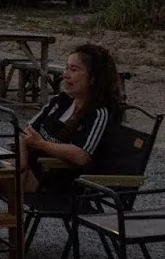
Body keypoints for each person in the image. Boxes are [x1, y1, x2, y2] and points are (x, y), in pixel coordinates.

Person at [20, 42, 123, 193]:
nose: (65, 74)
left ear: (93, 78)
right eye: (66, 68)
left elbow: (82, 156)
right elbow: (24, 133)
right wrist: (21, 166)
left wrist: (41, 144)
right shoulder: (60, 101)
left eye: (74, 70)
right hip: (29, 170)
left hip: (53, 182)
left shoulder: (97, 113)